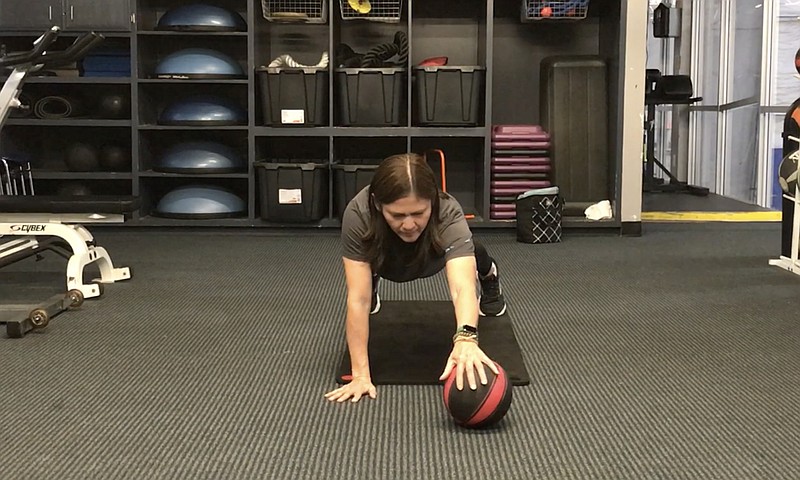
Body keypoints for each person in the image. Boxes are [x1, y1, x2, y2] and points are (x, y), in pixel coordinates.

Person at [324, 152, 507, 404]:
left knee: (473, 251)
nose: (409, 225)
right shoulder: (358, 214)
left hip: (433, 254)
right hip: (386, 257)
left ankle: (489, 275)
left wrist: (466, 338)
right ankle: (373, 277)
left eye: (418, 213)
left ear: (432, 201)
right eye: (398, 215)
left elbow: (462, 288)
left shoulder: (447, 212)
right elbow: (358, 299)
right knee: (367, 272)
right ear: (378, 204)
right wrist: (360, 375)